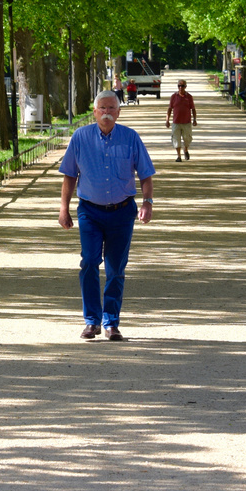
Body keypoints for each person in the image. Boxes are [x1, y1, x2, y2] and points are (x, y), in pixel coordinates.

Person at [58, 91, 156, 341]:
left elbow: (145, 174)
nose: (107, 112)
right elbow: (69, 174)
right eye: (102, 108)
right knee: (89, 262)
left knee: (115, 268)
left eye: (112, 108)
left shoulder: (130, 138)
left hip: (122, 212)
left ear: (119, 111)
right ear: (94, 111)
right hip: (90, 211)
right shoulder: (80, 137)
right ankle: (92, 321)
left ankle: (111, 322)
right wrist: (64, 208)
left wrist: (147, 202)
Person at [165, 78, 196, 161]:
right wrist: (167, 120)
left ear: (185, 87)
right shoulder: (174, 96)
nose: (180, 88)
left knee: (187, 139)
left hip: (186, 122)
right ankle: (179, 156)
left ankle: (185, 149)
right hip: (176, 122)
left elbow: (193, 109)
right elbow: (169, 109)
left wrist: (194, 119)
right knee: (176, 139)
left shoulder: (189, 97)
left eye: (182, 86)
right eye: (179, 86)